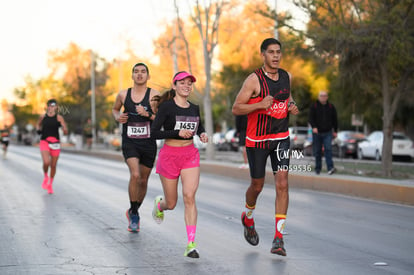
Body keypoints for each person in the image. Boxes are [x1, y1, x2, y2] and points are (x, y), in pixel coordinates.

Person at [232, 38, 300, 256]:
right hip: (258, 140)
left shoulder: (287, 76)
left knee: (282, 183)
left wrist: (291, 105)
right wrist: (259, 104)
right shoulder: (253, 80)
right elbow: (236, 108)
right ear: (263, 55)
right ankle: (248, 217)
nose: (276, 56)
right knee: (257, 186)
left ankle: (278, 239)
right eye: (271, 52)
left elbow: (286, 96)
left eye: (278, 52)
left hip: (281, 137)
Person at [150, 71, 208, 258]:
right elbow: (153, 133)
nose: (187, 86)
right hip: (169, 156)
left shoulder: (194, 107)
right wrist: (176, 133)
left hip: (190, 155)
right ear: (174, 86)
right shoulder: (167, 108)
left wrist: (203, 134)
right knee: (172, 203)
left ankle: (191, 244)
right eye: (182, 82)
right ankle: (161, 205)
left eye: (189, 83)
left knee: (189, 196)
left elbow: (198, 127)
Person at [112, 63, 160, 233]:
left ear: (148, 76)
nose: (139, 75)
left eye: (143, 72)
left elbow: (161, 119)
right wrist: (119, 117)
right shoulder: (123, 94)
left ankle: (134, 210)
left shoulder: (154, 95)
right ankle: (134, 216)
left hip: (148, 143)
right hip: (130, 141)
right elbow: (115, 109)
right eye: (136, 72)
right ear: (132, 76)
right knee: (135, 174)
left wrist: (147, 115)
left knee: (143, 180)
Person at [36, 99, 68, 194]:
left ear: (56, 107)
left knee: (53, 165)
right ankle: (45, 176)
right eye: (50, 105)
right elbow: (38, 125)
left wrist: (65, 129)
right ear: (47, 106)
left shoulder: (59, 118)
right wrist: (38, 130)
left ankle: (50, 184)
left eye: (54, 105)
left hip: (55, 143)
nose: (51, 107)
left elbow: (65, 130)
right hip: (44, 141)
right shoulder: (42, 117)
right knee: (46, 162)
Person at [308, 91, 338, 175]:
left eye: (325, 96)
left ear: (327, 97)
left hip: (328, 132)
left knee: (328, 150)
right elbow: (310, 118)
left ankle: (330, 168)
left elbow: (335, 120)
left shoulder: (331, 107)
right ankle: (318, 168)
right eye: (321, 96)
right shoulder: (314, 106)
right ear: (318, 97)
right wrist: (314, 127)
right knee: (317, 151)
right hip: (317, 132)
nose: (323, 97)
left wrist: (335, 131)